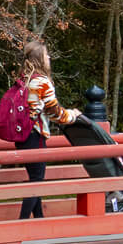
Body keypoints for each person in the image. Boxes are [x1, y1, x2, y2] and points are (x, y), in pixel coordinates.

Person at [15, 40, 79, 220]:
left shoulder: (23, 80)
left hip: (21, 137)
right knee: (36, 181)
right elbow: (56, 113)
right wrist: (74, 115)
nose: (49, 57)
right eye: (46, 55)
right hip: (35, 136)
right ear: (39, 60)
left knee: (36, 179)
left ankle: (39, 222)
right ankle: (21, 225)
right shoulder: (42, 82)